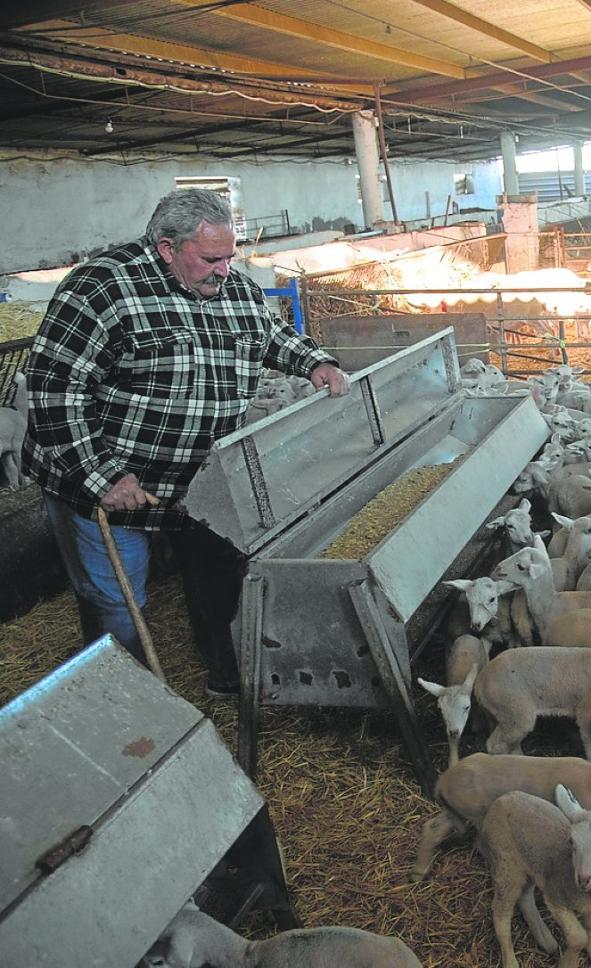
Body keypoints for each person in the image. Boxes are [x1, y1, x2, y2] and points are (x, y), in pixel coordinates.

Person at [23, 189, 350, 696]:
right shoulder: (101, 288)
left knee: (219, 579)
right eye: (211, 258)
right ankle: (128, 698)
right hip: (113, 484)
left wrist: (314, 361)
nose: (224, 270)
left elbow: (267, 334)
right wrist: (102, 475)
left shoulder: (234, 289)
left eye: (229, 257)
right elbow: (55, 389)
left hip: (202, 480)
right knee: (116, 599)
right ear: (166, 248)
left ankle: (225, 676)